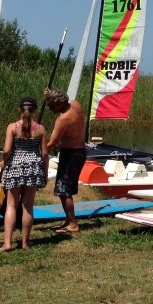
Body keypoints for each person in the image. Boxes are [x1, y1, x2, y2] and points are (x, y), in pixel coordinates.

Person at [0, 96, 48, 252]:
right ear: (35, 111)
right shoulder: (40, 129)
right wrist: (44, 173)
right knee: (28, 206)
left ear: (20, 110)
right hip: (33, 167)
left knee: (11, 205)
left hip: (15, 166)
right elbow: (45, 154)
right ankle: (25, 243)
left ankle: (7, 243)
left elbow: (6, 150)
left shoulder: (12, 127)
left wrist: (4, 162)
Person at [43, 87, 86, 234]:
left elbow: (52, 144)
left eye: (51, 106)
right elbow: (60, 96)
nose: (49, 109)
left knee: (63, 190)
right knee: (64, 189)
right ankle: (69, 220)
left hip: (71, 154)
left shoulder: (62, 119)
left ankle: (73, 224)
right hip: (80, 152)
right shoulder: (76, 104)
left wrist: (37, 153)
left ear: (59, 103)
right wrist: (50, 94)